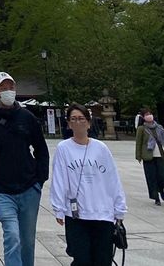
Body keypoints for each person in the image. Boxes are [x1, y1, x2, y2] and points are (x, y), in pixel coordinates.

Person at [0, 71, 50, 266]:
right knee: (13, 237)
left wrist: (40, 180)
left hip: (29, 188)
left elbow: (41, 149)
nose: (8, 91)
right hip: (1, 190)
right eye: (3, 87)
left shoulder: (27, 117)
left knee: (27, 241)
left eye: (11, 87)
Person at [50, 103, 127, 266]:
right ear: (69, 124)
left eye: (81, 118)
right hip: (76, 214)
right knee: (81, 259)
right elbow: (59, 179)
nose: (78, 122)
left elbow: (112, 179)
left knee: (102, 260)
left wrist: (119, 207)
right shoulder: (63, 148)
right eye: (73, 119)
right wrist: (58, 208)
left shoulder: (101, 148)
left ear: (89, 122)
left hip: (102, 213)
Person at [134, 108, 164, 205]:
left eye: (150, 113)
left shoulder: (159, 127)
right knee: (151, 177)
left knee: (162, 176)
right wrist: (138, 156)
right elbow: (138, 143)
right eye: (146, 114)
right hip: (148, 156)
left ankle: (161, 189)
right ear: (143, 117)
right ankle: (156, 197)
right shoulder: (141, 129)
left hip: (159, 155)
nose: (149, 115)